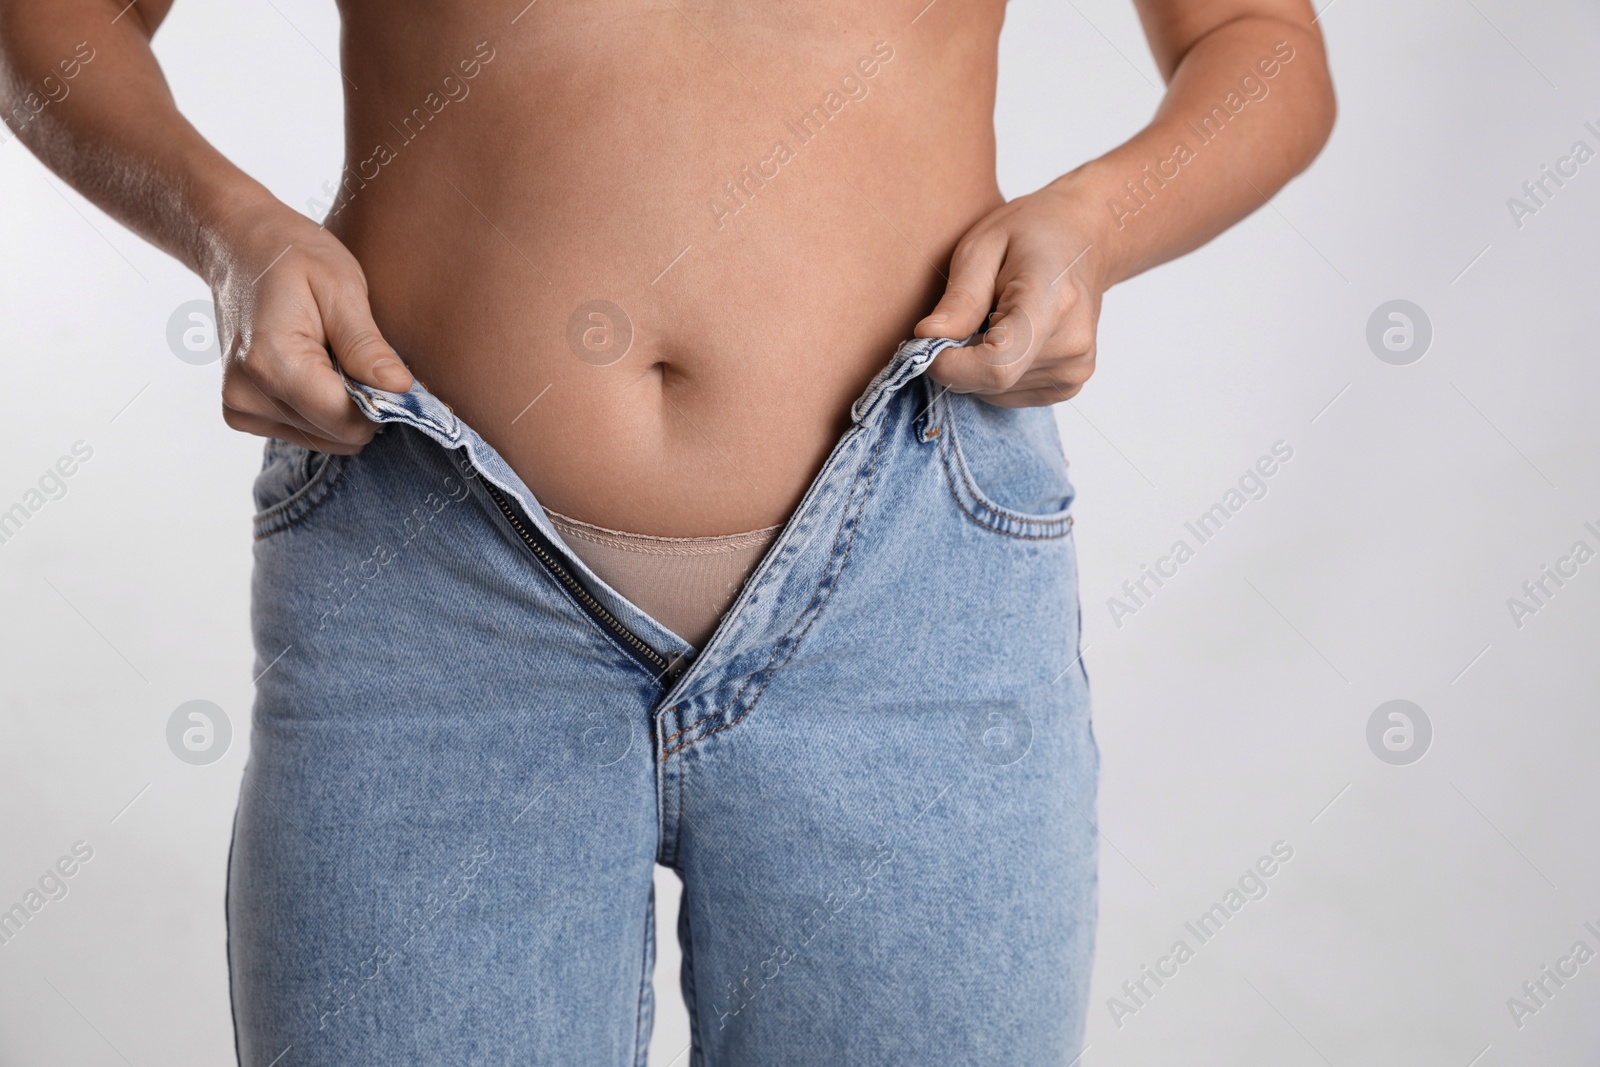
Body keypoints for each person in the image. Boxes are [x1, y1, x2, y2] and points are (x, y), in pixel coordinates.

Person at [1, 0, 1334, 1062]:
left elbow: (1262, 47)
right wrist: (232, 236)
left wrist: (1092, 225)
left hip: (909, 590)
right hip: (429, 594)